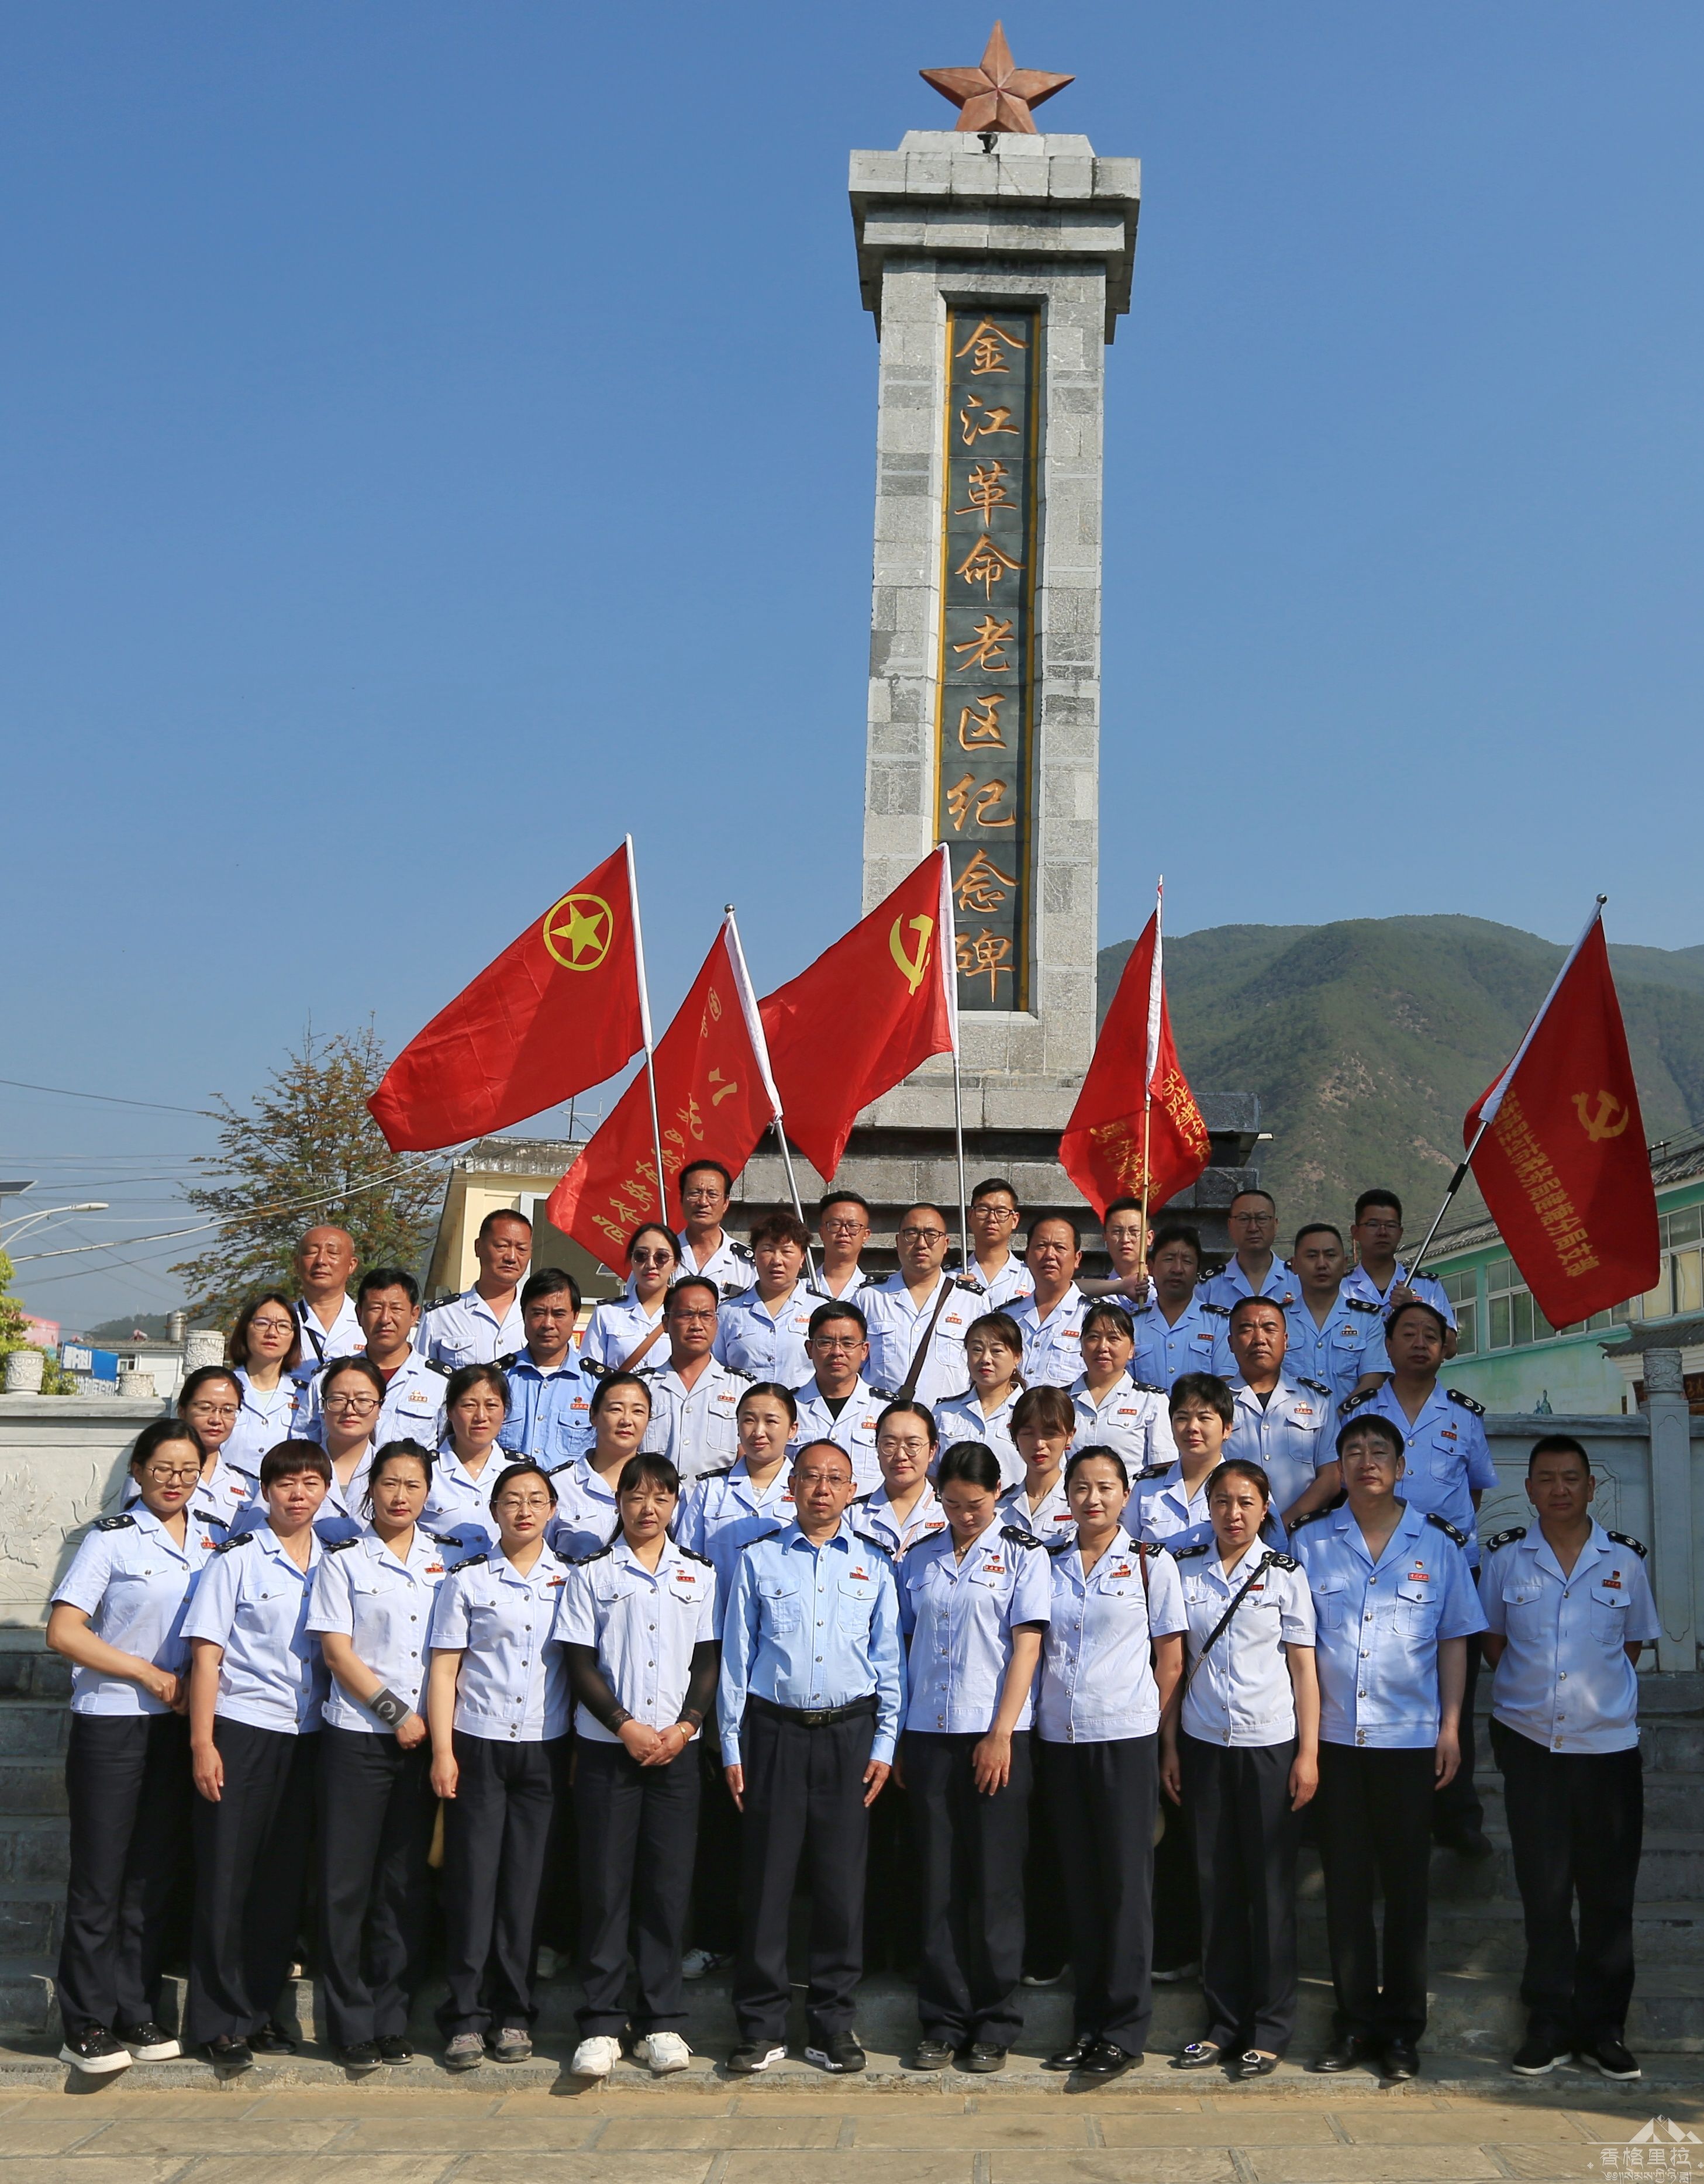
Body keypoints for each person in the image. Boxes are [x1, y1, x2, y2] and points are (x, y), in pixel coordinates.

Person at [1291, 1413, 1485, 2081]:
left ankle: (1402, 2030)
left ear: (1402, 1468)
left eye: (1379, 1451)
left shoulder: (1437, 1545)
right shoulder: (1311, 1544)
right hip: (1336, 1740)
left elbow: (1455, 1640)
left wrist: (1451, 1728)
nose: (1366, 1460)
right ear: (1339, 1467)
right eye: (1353, 1451)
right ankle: (1353, 2025)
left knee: (1406, 1890)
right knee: (1345, 1887)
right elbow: (1300, 1648)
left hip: (1409, 1740)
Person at [717, 1440, 906, 2075]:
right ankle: (760, 2026)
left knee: (840, 1887)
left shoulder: (874, 1564)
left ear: (852, 1490)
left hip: (849, 1737)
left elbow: (889, 1662)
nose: (822, 1490)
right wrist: (731, 1743)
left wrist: (884, 1744)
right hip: (774, 1735)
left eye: (835, 1479)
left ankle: (832, 2026)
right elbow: (736, 1659)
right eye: (811, 1478)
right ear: (791, 1486)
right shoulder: (759, 1560)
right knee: (766, 1884)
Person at [1479, 1435, 1660, 2081]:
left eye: (1571, 1478)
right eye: (1547, 1478)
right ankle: (1549, 2022)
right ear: (1528, 1489)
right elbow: (1494, 1643)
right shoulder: (1506, 1559)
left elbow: (1630, 1646)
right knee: (1545, 1890)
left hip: (1606, 1751)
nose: (1559, 1489)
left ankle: (1604, 2028)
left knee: (1608, 1894)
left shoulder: (1624, 1562)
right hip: (1532, 1745)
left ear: (1591, 1487)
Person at [47, 1419, 224, 2075]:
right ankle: (85, 2023)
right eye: (163, 1469)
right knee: (102, 1876)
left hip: (179, 1726)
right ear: (139, 1471)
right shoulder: (111, 1538)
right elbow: (64, 1631)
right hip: (115, 1721)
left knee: (152, 1874)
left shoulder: (214, 1537)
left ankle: (134, 2008)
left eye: (188, 1470)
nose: (175, 1481)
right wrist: (146, 1673)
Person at [1311, 1300, 1496, 1855]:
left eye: (1431, 1335)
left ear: (1445, 1347)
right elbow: (1342, 1479)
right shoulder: (1361, 1408)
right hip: (1368, 1562)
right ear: (1387, 1346)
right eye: (1408, 1333)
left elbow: (1474, 1489)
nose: (1420, 1343)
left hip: (1446, 1565)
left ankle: (1457, 1814)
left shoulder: (1464, 1414)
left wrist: (1435, 1537)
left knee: (1453, 1696)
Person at [560, 1452, 719, 2081]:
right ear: (619, 1502)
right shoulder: (592, 1575)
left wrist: (686, 1726)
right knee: (605, 1886)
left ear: (675, 1503)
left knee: (666, 1887)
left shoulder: (699, 1574)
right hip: (609, 1751)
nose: (647, 1508)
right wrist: (625, 1725)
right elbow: (579, 1664)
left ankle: (661, 2021)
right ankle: (601, 2022)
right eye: (635, 1496)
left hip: (676, 1752)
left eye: (660, 1497)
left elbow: (708, 1659)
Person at [1161, 1460, 1320, 2078]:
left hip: (1269, 1746)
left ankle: (1270, 2028)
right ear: (1209, 1509)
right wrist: (1170, 1747)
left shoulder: (1285, 1575)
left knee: (1270, 1891)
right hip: (1203, 1744)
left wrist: (1308, 1754)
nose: (1233, 1513)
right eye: (1223, 1501)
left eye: (1246, 1502)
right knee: (1215, 1885)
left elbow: (1304, 1669)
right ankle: (1222, 2024)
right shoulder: (1184, 1571)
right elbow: (1174, 1667)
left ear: (1265, 1509)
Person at [1034, 1445, 1187, 2081]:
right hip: (1060, 1739)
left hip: (1124, 1739)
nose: (1092, 1498)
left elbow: (1171, 1660)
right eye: (1080, 1487)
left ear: (1126, 1495)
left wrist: (1150, 1728)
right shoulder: (1046, 1563)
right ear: (1066, 1496)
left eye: (1104, 1487)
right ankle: (1087, 2022)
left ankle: (1123, 2031)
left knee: (1125, 1888)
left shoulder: (1151, 1563)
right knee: (1080, 1883)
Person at [181, 1440, 332, 2072]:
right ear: (265, 1491)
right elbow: (206, 1654)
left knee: (280, 1881)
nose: (298, 1494)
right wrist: (202, 1742)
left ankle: (263, 2009)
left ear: (326, 1491)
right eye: (286, 1483)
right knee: (226, 1877)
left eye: (310, 1483)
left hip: (308, 1735)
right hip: (242, 1730)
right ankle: (218, 2022)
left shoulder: (335, 1561)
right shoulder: (237, 1559)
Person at [308, 1439, 459, 2068]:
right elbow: (337, 1653)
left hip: (425, 1744)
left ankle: (391, 2017)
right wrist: (397, 1715)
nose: (400, 1496)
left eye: (412, 1485)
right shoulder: (344, 1561)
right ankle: (349, 2023)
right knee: (347, 1883)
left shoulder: (448, 1561)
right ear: (371, 1490)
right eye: (389, 1483)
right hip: (359, 1738)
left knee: (404, 1884)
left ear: (428, 1492)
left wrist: (430, 1733)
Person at [899, 1442, 1050, 2073]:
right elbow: (905, 1645)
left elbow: (1026, 1648)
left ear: (997, 1495)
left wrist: (1000, 1733)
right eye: (954, 1504)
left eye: (977, 1504)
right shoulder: (920, 1557)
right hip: (928, 1733)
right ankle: (942, 2019)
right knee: (938, 1879)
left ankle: (994, 2019)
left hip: (996, 1736)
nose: (965, 1516)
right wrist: (900, 1736)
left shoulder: (1023, 1555)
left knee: (994, 1882)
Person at [427, 1459, 572, 2072]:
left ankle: (515, 2012)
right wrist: (442, 1751)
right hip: (478, 1743)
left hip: (545, 1745)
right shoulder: (467, 1580)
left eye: (536, 1500)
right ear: (494, 1512)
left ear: (553, 1511)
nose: (524, 1510)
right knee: (473, 1882)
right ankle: (464, 2016)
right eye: (512, 1500)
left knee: (524, 1887)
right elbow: (444, 1669)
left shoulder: (571, 1580)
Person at [674, 1382, 799, 1981]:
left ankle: (778, 1944)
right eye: (748, 1419)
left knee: (782, 1813)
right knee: (723, 1811)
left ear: (793, 1428)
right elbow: (688, 1573)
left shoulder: (807, 1486)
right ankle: (715, 1936)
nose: (759, 1431)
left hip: (785, 1666)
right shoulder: (707, 1493)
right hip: (721, 1661)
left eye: (772, 1420)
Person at [296, 1269, 449, 1451]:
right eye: (375, 1308)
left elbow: (450, 1451)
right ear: (359, 1314)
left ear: (414, 1315)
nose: (385, 1319)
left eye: (396, 1309)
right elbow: (302, 1445)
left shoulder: (440, 1383)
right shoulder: (328, 1378)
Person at [1221, 1298, 1336, 1526]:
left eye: (1269, 1329)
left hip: (1302, 1532)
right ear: (1231, 1343)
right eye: (1247, 1330)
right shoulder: (1215, 1403)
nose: (1259, 1339)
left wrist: (1285, 1525)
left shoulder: (1317, 1400)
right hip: (1231, 1531)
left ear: (1285, 1341)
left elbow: (1331, 1477)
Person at [863, 1205, 979, 1408]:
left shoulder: (971, 1301)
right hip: (882, 1420)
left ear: (946, 1244)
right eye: (912, 1234)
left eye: (931, 1235)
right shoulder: (870, 1298)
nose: (921, 1244)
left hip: (945, 1421)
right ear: (898, 1241)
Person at [641, 1278, 751, 1482]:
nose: (697, 1325)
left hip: (717, 1501)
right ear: (666, 1323)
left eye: (706, 1316)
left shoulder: (742, 1389)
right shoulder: (643, 1387)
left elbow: (749, 1458)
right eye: (686, 1315)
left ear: (716, 1323)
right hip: (655, 1499)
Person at [548, 1370, 653, 1558]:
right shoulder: (559, 1486)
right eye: (616, 1409)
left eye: (638, 1411)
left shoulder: (663, 1487)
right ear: (593, 1416)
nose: (626, 1420)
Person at [1283, 1224, 1388, 1406]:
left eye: (1331, 1256)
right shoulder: (1278, 1321)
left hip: (1350, 1422)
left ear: (1345, 1264)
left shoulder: (1368, 1319)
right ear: (1295, 1265)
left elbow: (1373, 1380)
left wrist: (1336, 1417)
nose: (1322, 1264)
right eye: (1312, 1256)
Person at [497, 1267, 593, 1468]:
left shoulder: (597, 1386)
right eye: (538, 1313)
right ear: (524, 1314)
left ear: (575, 1316)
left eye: (559, 1314)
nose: (548, 1324)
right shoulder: (496, 1380)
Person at [1068, 1302, 1175, 1476]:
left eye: (1113, 1339)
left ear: (1132, 1349)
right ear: (1081, 1346)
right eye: (1094, 1337)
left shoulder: (1152, 1401)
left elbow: (1163, 1470)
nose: (1103, 1347)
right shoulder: (1061, 1401)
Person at [791, 1302, 888, 1492]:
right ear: (810, 1349)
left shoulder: (885, 1410)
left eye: (848, 1343)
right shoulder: (789, 1408)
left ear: (864, 1350)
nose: (837, 1352)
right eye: (826, 1343)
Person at [422, 1361, 515, 1556]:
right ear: (450, 1411)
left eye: (491, 1405)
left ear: (505, 1412)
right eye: (469, 1406)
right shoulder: (424, 1470)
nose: (481, 1416)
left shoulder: (519, 1471)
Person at [418, 1209, 532, 1368]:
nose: (511, 1257)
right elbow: (421, 1376)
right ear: (478, 1247)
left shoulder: (542, 1316)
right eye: (502, 1246)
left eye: (522, 1249)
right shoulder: (441, 1315)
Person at [1343, 1190, 1457, 1348]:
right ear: (1355, 1232)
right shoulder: (1338, 1289)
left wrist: (1413, 1309)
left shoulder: (1427, 1286)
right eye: (1373, 1225)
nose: (1382, 1232)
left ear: (1400, 1233)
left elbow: (1451, 1347)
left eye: (1391, 1226)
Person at [715, 1213, 817, 1385]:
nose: (777, 1260)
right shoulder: (728, 1312)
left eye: (787, 1251)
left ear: (802, 1258)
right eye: (768, 1250)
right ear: (755, 1255)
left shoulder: (820, 1309)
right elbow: (718, 1368)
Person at [156, 1367, 261, 1529]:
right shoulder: (154, 1476)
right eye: (205, 1408)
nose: (216, 1420)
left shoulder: (247, 1485)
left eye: (228, 1410)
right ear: (182, 1411)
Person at [299, 1356, 389, 1542]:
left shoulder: (391, 1471)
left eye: (363, 1400)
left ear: (379, 1408)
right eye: (338, 1400)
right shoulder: (294, 1467)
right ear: (323, 1406)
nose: (349, 1410)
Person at [1132, 1226, 1233, 1390]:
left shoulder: (1220, 1324)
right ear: (1151, 1267)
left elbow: (1225, 1383)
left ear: (1198, 1270)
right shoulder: (1132, 1326)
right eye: (1169, 1259)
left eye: (1187, 1261)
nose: (1177, 1269)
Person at [935, 1311, 1027, 1487]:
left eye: (996, 1351)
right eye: (977, 1349)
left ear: (1017, 1357)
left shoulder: (1032, 1413)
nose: (985, 1359)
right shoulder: (944, 1413)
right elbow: (932, 1475)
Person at [224, 1294, 306, 1475]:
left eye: (283, 1326)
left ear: (294, 1336)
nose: (272, 1333)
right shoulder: (220, 1390)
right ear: (244, 1329)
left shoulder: (305, 1396)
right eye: (262, 1323)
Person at [580, 1224, 678, 1375]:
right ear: (632, 1260)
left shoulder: (685, 1314)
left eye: (661, 1257)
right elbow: (589, 1374)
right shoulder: (607, 1313)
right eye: (641, 1256)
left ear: (675, 1264)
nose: (651, 1264)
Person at [1010, 1215, 1090, 1386]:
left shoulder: (1093, 1318)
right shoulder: (1007, 1316)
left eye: (1060, 1247)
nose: (1049, 1255)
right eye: (1041, 1246)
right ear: (1028, 1255)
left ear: (1077, 1258)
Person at [997, 1385, 1079, 1545]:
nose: (1039, 1444)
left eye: (1050, 1434)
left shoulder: (1081, 1504)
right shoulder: (998, 1507)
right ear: (1014, 1436)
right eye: (1028, 1434)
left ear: (1070, 1436)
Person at [1199, 1191, 1294, 1310]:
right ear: (1230, 1225)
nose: (1253, 1228)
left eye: (1262, 1218)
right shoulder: (1208, 1286)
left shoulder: (1300, 1280)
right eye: (1244, 1219)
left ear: (1275, 1225)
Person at [291, 1225, 363, 1374]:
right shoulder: (280, 1322)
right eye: (311, 1252)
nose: (321, 1261)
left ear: (351, 1265)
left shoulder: (369, 1322)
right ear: (297, 1264)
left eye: (333, 1253)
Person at [677, 1159, 756, 1295]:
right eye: (695, 1193)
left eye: (712, 1194)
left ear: (726, 1203)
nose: (703, 1202)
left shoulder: (748, 1264)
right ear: (682, 1199)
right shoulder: (659, 1258)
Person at [960, 1178, 1035, 1309]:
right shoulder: (950, 1279)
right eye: (983, 1210)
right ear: (970, 1216)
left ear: (1015, 1220)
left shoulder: (1032, 1279)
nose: (992, 1219)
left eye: (1001, 1212)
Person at [1076, 1195, 1154, 1305]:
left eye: (1134, 1232)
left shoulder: (1162, 1288)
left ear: (1149, 1238)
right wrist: (1122, 1286)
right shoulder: (1091, 1288)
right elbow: (1068, 1289)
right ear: (1105, 1238)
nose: (1125, 1239)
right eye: (1117, 1232)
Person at [809, 1190, 872, 1300]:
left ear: (865, 1235)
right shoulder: (799, 1289)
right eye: (835, 1225)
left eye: (853, 1226)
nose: (843, 1232)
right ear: (822, 1233)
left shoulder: (876, 1293)